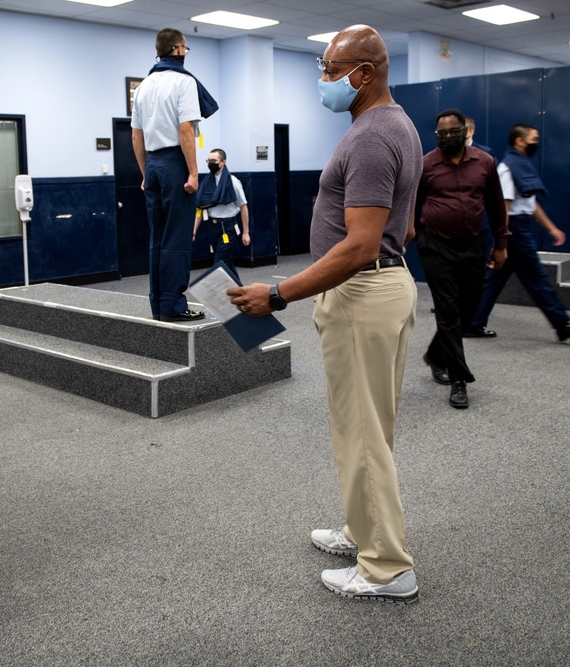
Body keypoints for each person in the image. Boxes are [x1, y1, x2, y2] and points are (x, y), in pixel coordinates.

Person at [228, 25, 421, 603]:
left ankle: (387, 568)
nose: (324, 80)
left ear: (365, 73)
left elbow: (361, 245)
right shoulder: (399, 125)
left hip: (364, 293)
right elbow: (401, 226)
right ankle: (363, 531)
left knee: (361, 433)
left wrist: (280, 294)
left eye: (332, 70)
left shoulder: (368, 137)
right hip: (383, 287)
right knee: (368, 429)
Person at [416, 109, 508, 410]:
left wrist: (500, 245)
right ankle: (459, 381)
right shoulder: (426, 164)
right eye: (441, 134)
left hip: (473, 245)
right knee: (448, 311)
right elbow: (412, 205)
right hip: (436, 247)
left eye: (453, 132)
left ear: (466, 132)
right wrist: (417, 237)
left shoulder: (485, 162)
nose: (447, 138)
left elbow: (496, 205)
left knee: (469, 309)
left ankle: (435, 353)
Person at [466, 124, 570, 342]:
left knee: (494, 280)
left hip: (519, 227)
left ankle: (473, 323)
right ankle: (562, 324)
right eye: (534, 138)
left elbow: (530, 205)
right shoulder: (508, 168)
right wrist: (501, 240)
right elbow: (502, 208)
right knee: (537, 278)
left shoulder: (521, 167)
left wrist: (551, 228)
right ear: (520, 141)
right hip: (513, 230)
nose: (537, 142)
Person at [131, 28, 218, 322]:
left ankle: (158, 305)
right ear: (179, 48)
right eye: (186, 49)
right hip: (174, 163)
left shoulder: (143, 86)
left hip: (153, 164)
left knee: (157, 237)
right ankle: (174, 306)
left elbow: (136, 137)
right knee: (177, 239)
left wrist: (145, 174)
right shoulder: (184, 82)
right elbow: (185, 131)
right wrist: (194, 173)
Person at [193, 149, 250, 283]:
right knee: (227, 263)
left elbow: (243, 207)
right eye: (209, 161)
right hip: (212, 227)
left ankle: (216, 293)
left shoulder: (233, 182)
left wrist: (246, 233)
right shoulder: (207, 182)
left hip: (227, 227)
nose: (211, 164)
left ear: (223, 162)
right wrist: (194, 229)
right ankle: (240, 291)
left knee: (219, 262)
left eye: (214, 161)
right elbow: (200, 209)